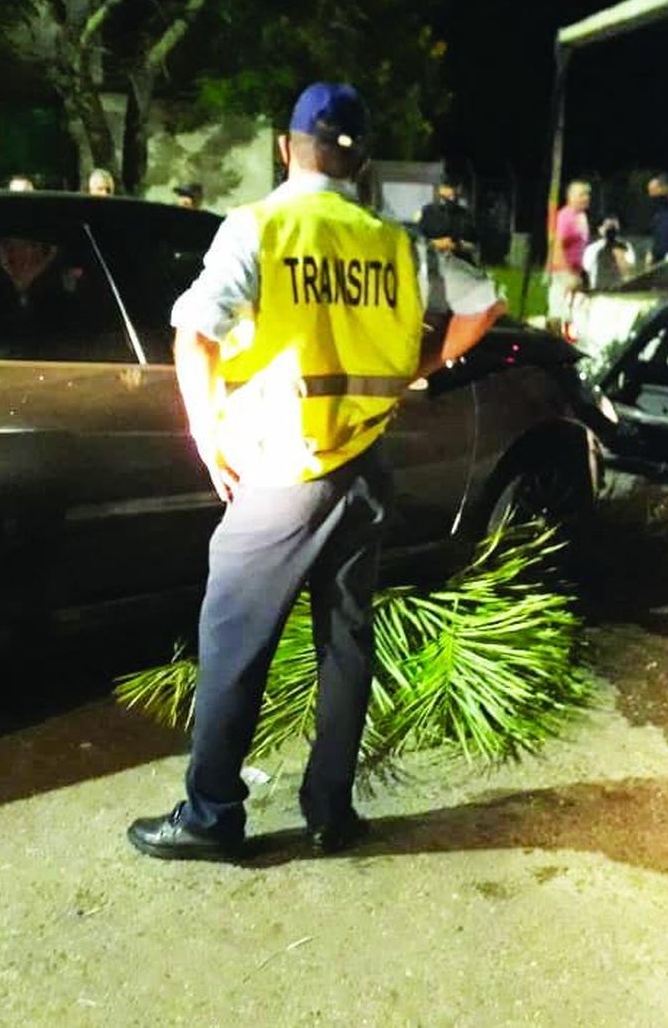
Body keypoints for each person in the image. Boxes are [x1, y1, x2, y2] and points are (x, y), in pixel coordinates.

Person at [127, 82, 504, 861]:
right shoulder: (393, 243)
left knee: (232, 645)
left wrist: (208, 440)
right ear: (360, 158)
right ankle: (331, 810)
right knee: (345, 643)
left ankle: (211, 816)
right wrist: (419, 367)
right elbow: (485, 303)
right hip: (364, 468)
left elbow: (194, 333)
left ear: (282, 146)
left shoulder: (259, 228)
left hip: (278, 473)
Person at [548, 179, 591, 322]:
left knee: (574, 310)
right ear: (570, 197)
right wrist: (565, 271)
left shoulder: (581, 216)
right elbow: (557, 244)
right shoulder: (566, 216)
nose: (586, 198)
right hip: (564, 271)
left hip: (576, 270)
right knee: (561, 309)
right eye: (581, 195)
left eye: (587, 194)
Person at [416, 176, 478, 263]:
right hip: (433, 264)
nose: (452, 191)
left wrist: (456, 245)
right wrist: (435, 243)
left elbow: (474, 246)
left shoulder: (465, 215)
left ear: (459, 190)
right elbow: (418, 240)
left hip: (461, 265)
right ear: (440, 189)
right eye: (448, 187)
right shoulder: (428, 212)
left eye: (454, 188)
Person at [580, 216, 639, 290]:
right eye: (608, 226)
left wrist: (619, 255)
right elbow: (586, 269)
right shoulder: (592, 249)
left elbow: (629, 270)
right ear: (600, 229)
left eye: (614, 227)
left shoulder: (625, 246)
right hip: (598, 290)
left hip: (620, 290)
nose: (611, 230)